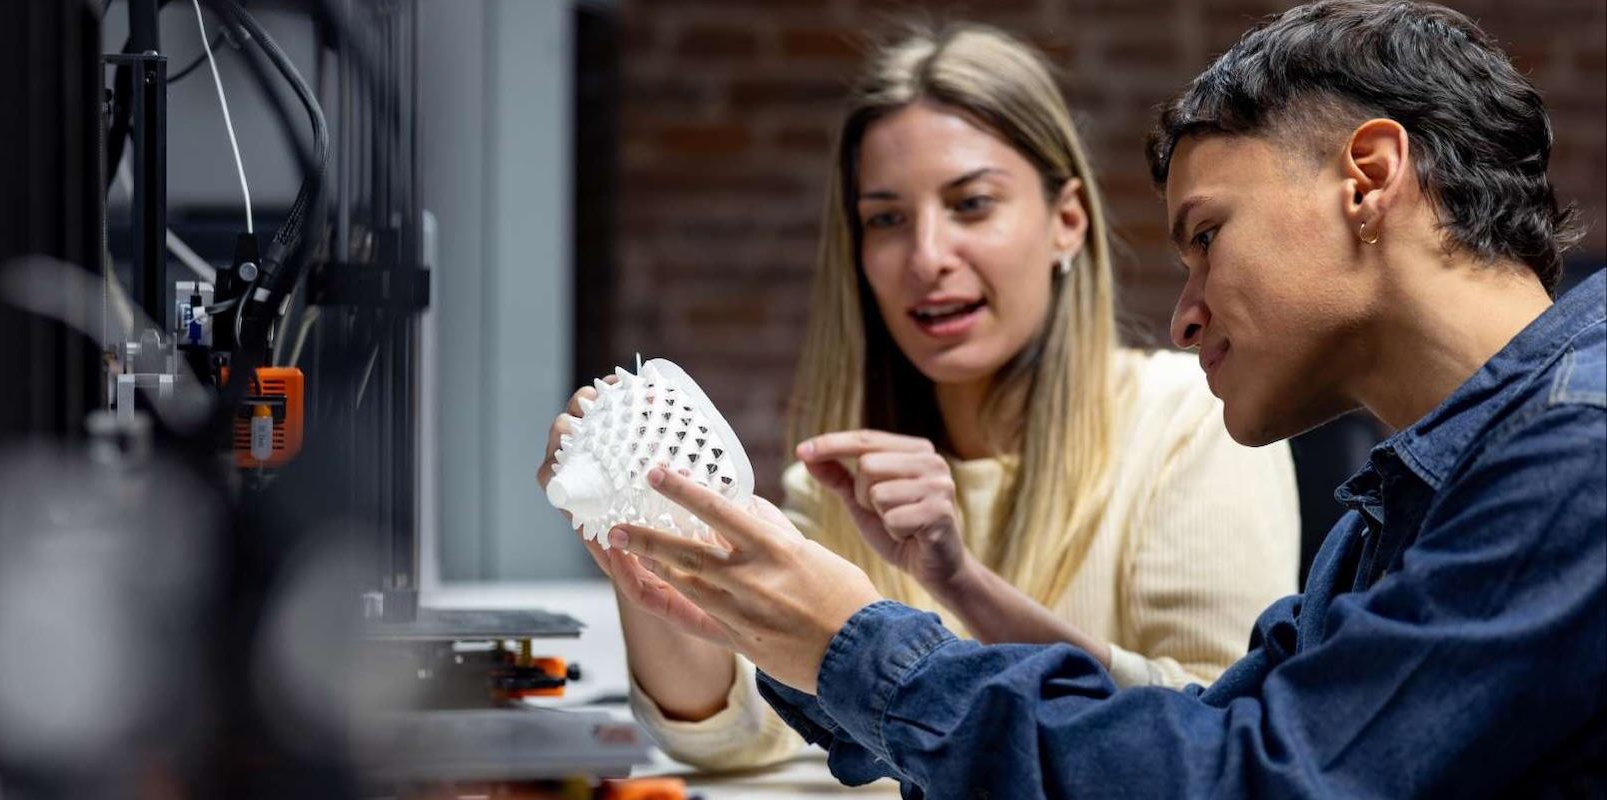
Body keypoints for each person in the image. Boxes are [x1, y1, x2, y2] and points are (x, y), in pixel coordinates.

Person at [598, 1, 1606, 796]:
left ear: (1369, 178)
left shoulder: (1575, 456)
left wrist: (852, 639)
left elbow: (1245, 781)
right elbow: (1203, 732)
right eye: (885, 221)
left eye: (1207, 235)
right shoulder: (1400, 500)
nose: (1184, 315)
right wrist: (803, 630)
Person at [536, 24, 1302, 771]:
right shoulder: (842, 480)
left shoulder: (1190, 421)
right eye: (887, 219)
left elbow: (1214, 726)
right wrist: (637, 538)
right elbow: (737, 736)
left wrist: (957, 582)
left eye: (971, 205)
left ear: (1067, 222)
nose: (928, 257)